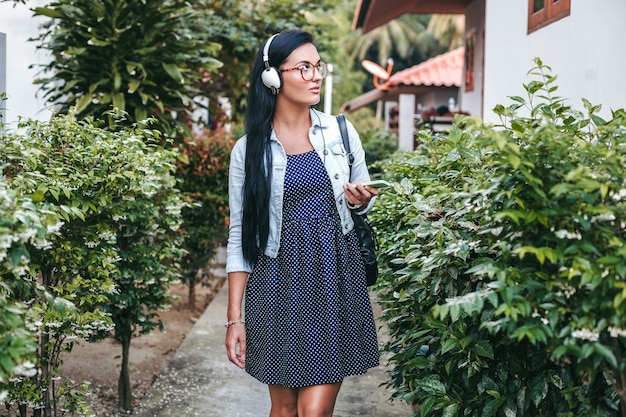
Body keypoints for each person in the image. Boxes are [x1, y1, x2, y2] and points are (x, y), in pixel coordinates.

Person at [224, 29, 380, 417]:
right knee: (284, 408)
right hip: (276, 285)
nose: (315, 76)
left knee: (314, 412)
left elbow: (363, 204)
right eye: (303, 67)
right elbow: (239, 236)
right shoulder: (248, 151)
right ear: (273, 77)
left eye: (318, 66)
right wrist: (233, 318)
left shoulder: (342, 132)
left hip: (334, 278)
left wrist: (359, 203)